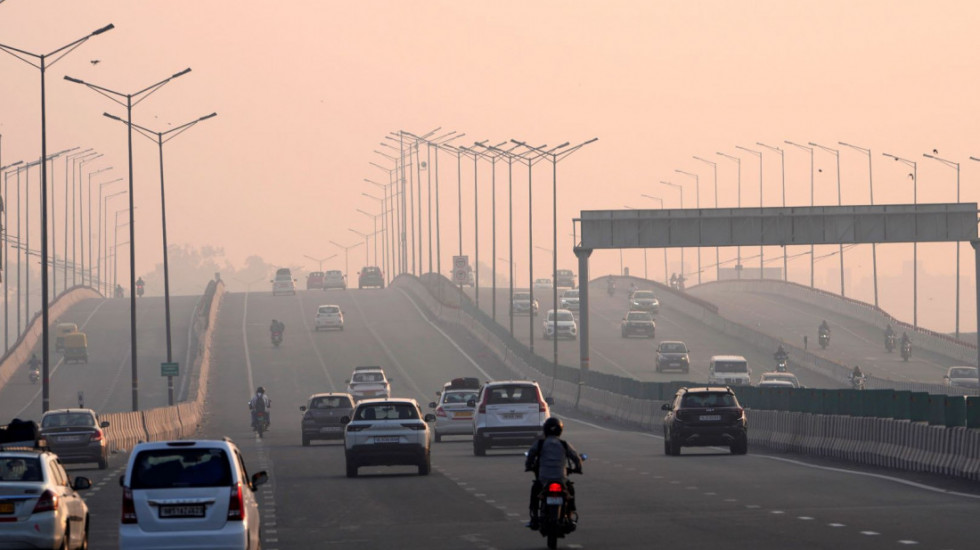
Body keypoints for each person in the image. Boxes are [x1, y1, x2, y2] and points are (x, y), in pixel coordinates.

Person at [524, 417, 582, 530]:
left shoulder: (540, 444)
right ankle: (570, 516)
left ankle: (534, 516)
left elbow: (530, 456)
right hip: (561, 478)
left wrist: (528, 466)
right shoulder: (564, 444)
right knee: (570, 490)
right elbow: (576, 458)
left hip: (544, 478)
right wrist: (578, 469)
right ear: (560, 430)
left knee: (535, 490)